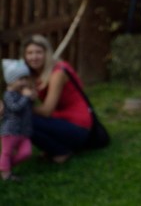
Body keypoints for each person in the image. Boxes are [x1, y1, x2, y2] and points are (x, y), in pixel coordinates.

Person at [23, 35, 93, 163]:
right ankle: (56, 147)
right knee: (21, 118)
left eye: (38, 52)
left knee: (21, 119)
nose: (34, 57)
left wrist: (16, 108)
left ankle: (60, 152)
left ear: (47, 54)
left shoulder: (58, 72)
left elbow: (46, 111)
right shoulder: (33, 74)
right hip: (60, 120)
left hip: (78, 127)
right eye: (30, 53)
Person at [2, 59, 34, 181]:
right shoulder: (8, 95)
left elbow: (28, 109)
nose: (24, 82)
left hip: (24, 131)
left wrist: (31, 99)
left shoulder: (22, 93)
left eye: (25, 79)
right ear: (11, 81)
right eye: (20, 79)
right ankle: (6, 174)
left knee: (26, 153)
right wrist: (25, 97)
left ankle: (4, 166)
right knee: (7, 152)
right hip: (10, 130)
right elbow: (15, 108)